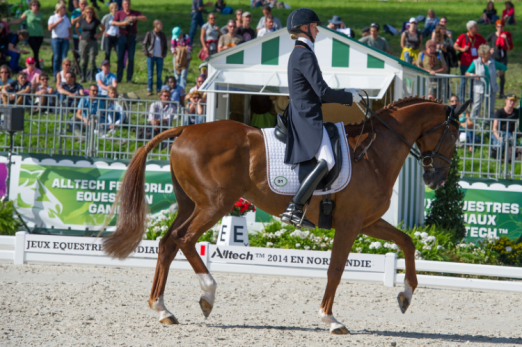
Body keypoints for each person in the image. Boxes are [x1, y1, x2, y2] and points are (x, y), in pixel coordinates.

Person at [281, 8, 360, 228]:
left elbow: (317, 93)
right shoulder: (304, 54)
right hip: (306, 118)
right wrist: (348, 96)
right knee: (328, 160)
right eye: (315, 26)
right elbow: (322, 92)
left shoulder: (300, 53)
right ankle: (295, 207)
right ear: (305, 28)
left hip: (306, 112)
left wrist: (345, 93)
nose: (317, 30)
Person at [465, 44, 507, 118]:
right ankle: (472, 122)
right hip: (479, 89)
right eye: (488, 52)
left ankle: (490, 123)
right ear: (483, 54)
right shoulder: (476, 62)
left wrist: (497, 74)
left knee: (491, 108)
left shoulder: (493, 62)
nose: (490, 53)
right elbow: (467, 73)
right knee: (476, 106)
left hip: (491, 89)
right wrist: (473, 75)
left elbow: (504, 68)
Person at [112, 0, 147, 83]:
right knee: (120, 58)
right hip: (122, 37)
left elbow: (145, 18)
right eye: (125, 3)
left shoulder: (134, 13)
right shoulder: (119, 13)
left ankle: (129, 78)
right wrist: (123, 23)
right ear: (122, 5)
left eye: (128, 3)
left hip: (132, 37)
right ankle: (119, 78)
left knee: (131, 58)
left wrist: (134, 17)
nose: (127, 5)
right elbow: (113, 22)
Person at [454, 21, 486, 101]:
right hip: (465, 63)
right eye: (476, 27)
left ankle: (471, 100)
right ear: (471, 28)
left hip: (475, 64)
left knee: (473, 82)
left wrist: (483, 52)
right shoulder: (463, 36)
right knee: (463, 82)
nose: (477, 28)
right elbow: (455, 46)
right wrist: (462, 49)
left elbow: (486, 44)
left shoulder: (479, 37)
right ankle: (461, 100)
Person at [8, 1, 44, 69]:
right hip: (31, 35)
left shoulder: (40, 14)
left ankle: (34, 65)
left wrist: (42, 32)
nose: (35, 6)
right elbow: (20, 20)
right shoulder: (28, 12)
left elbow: (41, 24)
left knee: (37, 51)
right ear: (30, 6)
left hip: (40, 35)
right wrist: (10, 23)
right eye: (33, 5)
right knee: (35, 50)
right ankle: (37, 66)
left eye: (36, 5)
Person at [77, 6, 104, 82]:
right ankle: (83, 77)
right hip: (83, 41)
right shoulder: (82, 20)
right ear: (85, 13)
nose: (89, 14)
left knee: (92, 60)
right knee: (83, 60)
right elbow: (76, 27)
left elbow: (103, 27)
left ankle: (92, 77)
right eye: (87, 12)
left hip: (92, 41)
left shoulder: (95, 21)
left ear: (93, 13)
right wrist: (79, 35)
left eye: (90, 12)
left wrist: (99, 35)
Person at [486, 20, 512, 98]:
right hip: (494, 57)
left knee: (502, 75)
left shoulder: (505, 35)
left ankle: (501, 93)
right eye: (498, 26)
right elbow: (485, 41)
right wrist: (489, 49)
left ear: (503, 27)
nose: (499, 28)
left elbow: (508, 47)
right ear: (496, 27)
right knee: (492, 74)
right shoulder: (493, 35)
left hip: (503, 58)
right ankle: (491, 90)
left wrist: (506, 39)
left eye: (501, 26)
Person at [143, 20, 167, 96]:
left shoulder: (163, 35)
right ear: (155, 25)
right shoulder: (149, 34)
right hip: (151, 56)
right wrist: (147, 53)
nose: (162, 26)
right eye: (160, 24)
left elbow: (165, 46)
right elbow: (144, 44)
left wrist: (164, 54)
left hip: (160, 56)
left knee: (159, 74)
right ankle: (149, 89)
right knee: (150, 74)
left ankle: (158, 89)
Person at [48, 3, 72, 79]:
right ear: (58, 9)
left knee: (64, 58)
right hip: (56, 39)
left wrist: (69, 36)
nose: (64, 9)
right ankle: (56, 75)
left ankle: (63, 75)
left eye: (65, 7)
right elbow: (50, 28)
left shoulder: (66, 18)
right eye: (63, 7)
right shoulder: (53, 17)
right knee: (56, 57)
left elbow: (70, 29)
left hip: (65, 40)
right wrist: (58, 22)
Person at [492, 94, 518, 158]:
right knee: (501, 140)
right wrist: (498, 137)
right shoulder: (499, 112)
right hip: (499, 132)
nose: (512, 102)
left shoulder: (517, 112)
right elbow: (494, 127)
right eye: (510, 100)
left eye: (514, 101)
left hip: (510, 134)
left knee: (507, 136)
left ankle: (496, 151)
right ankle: (497, 151)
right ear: (506, 101)